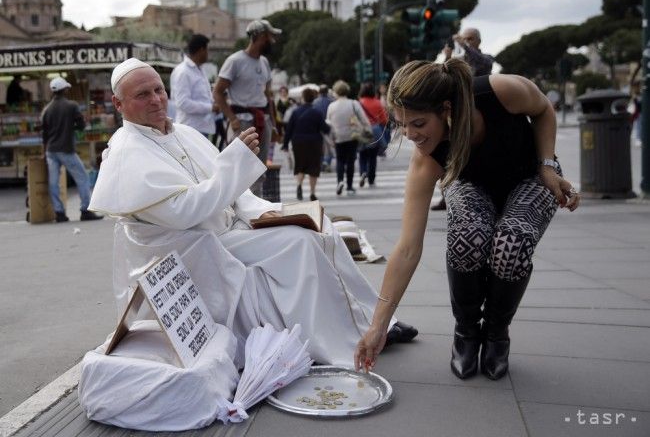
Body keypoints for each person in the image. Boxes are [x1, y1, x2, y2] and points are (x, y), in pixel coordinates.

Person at [89, 58, 417, 367]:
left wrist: (274, 211)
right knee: (299, 244)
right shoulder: (126, 152)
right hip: (201, 244)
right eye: (142, 94)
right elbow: (184, 211)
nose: (156, 99)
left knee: (321, 227)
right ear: (119, 105)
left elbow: (234, 192)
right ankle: (338, 341)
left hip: (230, 228)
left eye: (158, 89)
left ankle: (375, 321)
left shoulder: (184, 133)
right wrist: (238, 164)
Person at [354, 59, 580, 380]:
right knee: (468, 239)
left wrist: (546, 164)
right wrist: (378, 327)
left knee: (511, 243)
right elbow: (406, 248)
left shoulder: (499, 91)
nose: (410, 134)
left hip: (531, 176)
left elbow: (543, 109)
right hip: (471, 183)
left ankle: (497, 333)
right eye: (402, 124)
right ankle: (466, 331)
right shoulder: (427, 158)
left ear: (446, 108)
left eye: (418, 123)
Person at [214, 19, 281, 196]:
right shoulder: (235, 61)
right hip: (242, 121)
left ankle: (256, 208)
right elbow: (218, 92)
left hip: (262, 119)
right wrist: (232, 118)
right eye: (269, 37)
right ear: (259, 36)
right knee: (240, 167)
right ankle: (236, 207)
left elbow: (268, 96)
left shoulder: (264, 62)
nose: (272, 41)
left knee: (260, 168)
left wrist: (273, 124)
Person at [433, 27, 495, 211]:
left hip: (481, 115)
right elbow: (441, 77)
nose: (466, 42)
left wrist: (464, 46)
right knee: (448, 157)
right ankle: (447, 197)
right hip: (458, 116)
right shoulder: (457, 61)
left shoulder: (485, 59)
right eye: (464, 39)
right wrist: (447, 57)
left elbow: (482, 63)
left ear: (478, 40)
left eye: (470, 39)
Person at [41, 77, 103, 223]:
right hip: (66, 149)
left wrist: (44, 152)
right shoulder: (71, 106)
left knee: (53, 182)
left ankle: (59, 213)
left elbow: (44, 134)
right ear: (65, 90)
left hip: (51, 150)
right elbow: (81, 126)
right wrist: (72, 126)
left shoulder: (47, 109)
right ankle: (85, 210)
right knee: (82, 177)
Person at [282, 87, 330, 201]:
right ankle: (312, 193)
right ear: (313, 98)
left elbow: (289, 130)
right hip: (314, 142)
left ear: (302, 98)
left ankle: (299, 185)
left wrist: (285, 144)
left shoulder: (295, 112)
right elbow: (325, 129)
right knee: (313, 168)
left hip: (298, 142)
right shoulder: (317, 112)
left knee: (300, 166)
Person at [326, 80, 371, 196]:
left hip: (338, 137)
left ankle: (340, 181)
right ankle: (350, 186)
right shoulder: (353, 103)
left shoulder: (331, 106)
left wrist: (330, 139)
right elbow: (363, 118)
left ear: (336, 92)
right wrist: (367, 129)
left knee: (340, 160)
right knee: (351, 161)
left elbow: (328, 123)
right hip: (352, 135)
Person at [170, 34, 215, 138]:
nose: (208, 54)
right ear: (201, 50)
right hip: (190, 129)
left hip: (201, 127)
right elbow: (183, 103)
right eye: (207, 50)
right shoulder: (184, 72)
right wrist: (210, 108)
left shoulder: (199, 69)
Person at [358, 82, 389, 187]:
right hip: (374, 132)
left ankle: (363, 172)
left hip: (362, 131)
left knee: (362, 154)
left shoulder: (359, 103)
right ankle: (371, 178)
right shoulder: (377, 103)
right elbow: (384, 120)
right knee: (372, 156)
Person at [313, 84, 335, 172]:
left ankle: (321, 163)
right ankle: (327, 162)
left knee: (319, 147)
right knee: (329, 147)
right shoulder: (332, 101)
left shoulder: (314, 102)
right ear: (327, 91)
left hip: (317, 127)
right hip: (329, 126)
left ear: (319, 92)